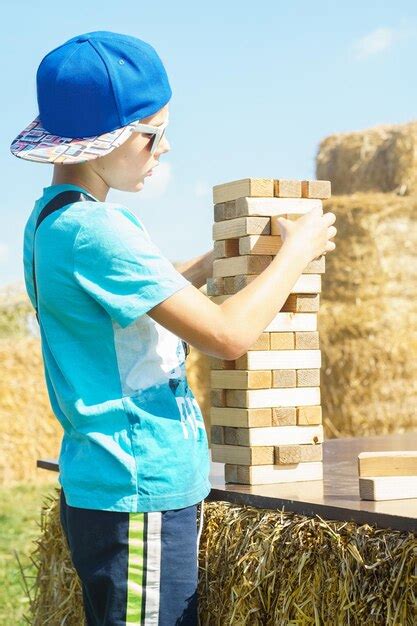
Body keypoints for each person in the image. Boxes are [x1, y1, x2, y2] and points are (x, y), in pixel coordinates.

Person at [10, 30, 337, 626]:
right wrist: (295, 253)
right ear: (98, 142)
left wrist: (217, 259)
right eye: (151, 135)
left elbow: (140, 292)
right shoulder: (98, 232)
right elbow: (226, 335)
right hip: (140, 492)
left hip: (114, 486)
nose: (163, 149)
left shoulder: (54, 222)